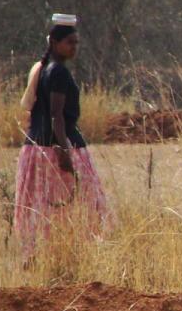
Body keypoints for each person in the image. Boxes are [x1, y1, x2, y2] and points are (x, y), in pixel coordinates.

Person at [14, 14, 112, 260]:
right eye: (70, 42)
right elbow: (56, 114)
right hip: (55, 148)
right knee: (84, 203)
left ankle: (44, 257)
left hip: (39, 148)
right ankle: (70, 255)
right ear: (55, 43)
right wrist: (64, 151)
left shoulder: (45, 69)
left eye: (76, 43)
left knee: (45, 207)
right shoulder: (57, 72)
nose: (74, 47)